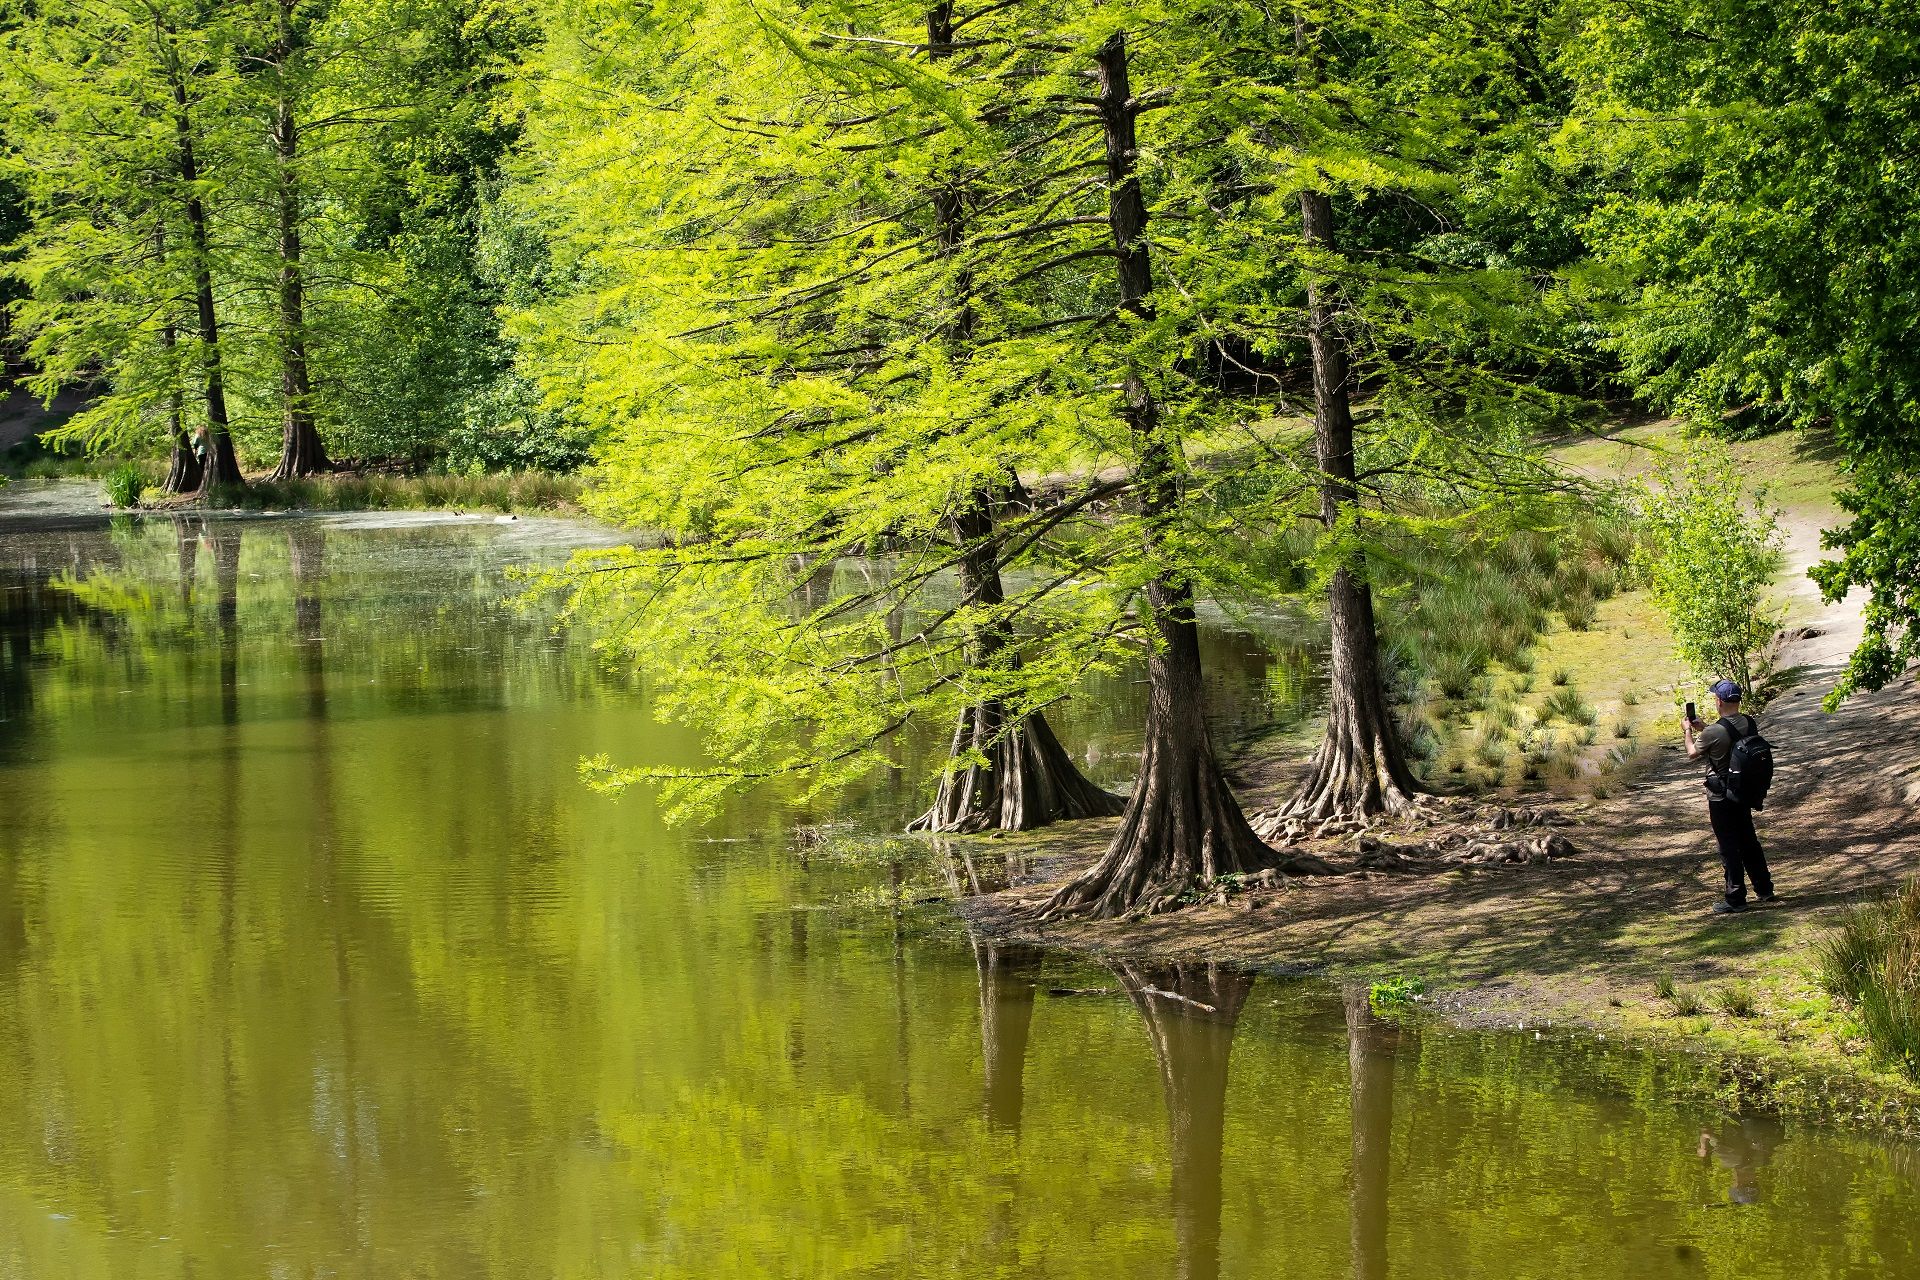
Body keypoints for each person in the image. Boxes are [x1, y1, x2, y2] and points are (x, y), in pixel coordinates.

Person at [1684, 679, 1775, 914]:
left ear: (1719, 701)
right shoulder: (1748, 722)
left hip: (1720, 796)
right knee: (1749, 841)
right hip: (1743, 791)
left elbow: (1693, 753)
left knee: (1728, 846)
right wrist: (1704, 728)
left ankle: (1735, 898)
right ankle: (1764, 889)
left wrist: (1688, 731)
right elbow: (1731, 740)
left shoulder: (1714, 731)